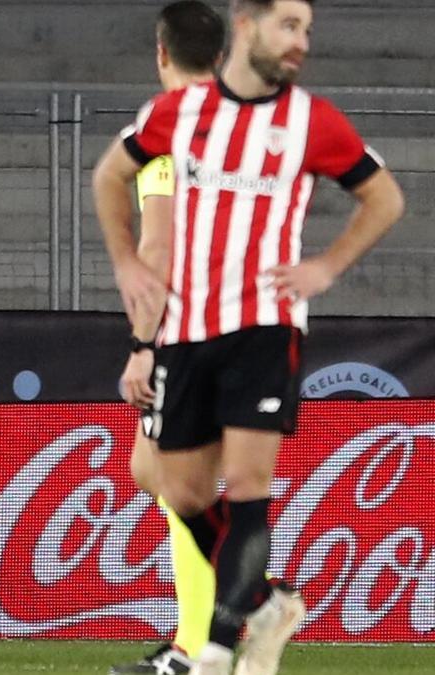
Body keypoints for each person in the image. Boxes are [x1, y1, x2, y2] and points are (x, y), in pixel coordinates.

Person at [94, 1, 405, 674]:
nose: (300, 42)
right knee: (177, 488)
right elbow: (108, 176)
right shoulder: (179, 114)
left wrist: (325, 265)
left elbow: (385, 198)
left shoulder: (311, 121)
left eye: (307, 31)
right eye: (288, 25)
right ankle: (265, 605)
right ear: (245, 25)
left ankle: (211, 647)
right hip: (188, 329)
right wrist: (124, 268)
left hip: (265, 325)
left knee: (246, 486)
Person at [109, 3, 224, 674]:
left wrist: (144, 342)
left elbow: (158, 239)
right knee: (170, 477)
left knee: (171, 479)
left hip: (189, 328)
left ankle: (200, 643)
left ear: (161, 53)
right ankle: (215, 628)